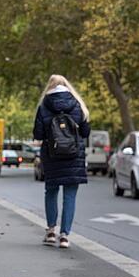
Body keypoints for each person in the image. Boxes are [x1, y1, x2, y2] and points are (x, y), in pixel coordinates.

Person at [32, 74, 90, 249]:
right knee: (69, 196)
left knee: (51, 191)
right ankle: (64, 236)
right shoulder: (78, 106)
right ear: (67, 85)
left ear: (49, 86)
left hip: (52, 155)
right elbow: (86, 132)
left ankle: (51, 232)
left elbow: (38, 135)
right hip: (74, 155)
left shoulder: (44, 107)